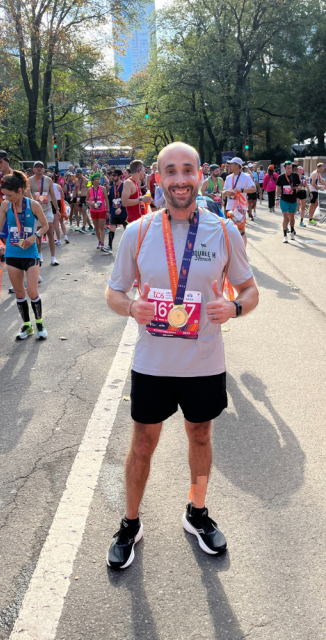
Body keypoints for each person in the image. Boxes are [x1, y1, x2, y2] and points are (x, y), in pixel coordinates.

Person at [104, 141, 259, 570]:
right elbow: (114, 292)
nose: (179, 179)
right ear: (159, 178)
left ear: (200, 176)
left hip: (204, 361)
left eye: (187, 170)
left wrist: (235, 307)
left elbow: (250, 291)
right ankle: (130, 523)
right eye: (170, 171)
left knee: (202, 436)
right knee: (142, 444)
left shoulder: (224, 230)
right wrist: (129, 306)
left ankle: (197, 512)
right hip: (152, 363)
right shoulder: (137, 232)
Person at [0, 171, 49, 340]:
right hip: (12, 253)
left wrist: (35, 236)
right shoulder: (5, 205)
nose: (6, 198)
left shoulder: (33, 205)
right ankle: (27, 326)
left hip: (30, 253)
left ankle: (39, 324)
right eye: (4, 195)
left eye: (9, 195)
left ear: (19, 190)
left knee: (32, 291)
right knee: (19, 293)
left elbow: (45, 226)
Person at [29, 162, 61, 265]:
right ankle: (39, 255)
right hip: (36, 211)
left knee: (50, 233)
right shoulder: (29, 180)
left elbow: (52, 195)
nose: (39, 169)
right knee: (38, 234)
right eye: (36, 167)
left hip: (47, 209)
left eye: (41, 167)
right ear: (33, 169)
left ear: (44, 169)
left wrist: (57, 209)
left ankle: (53, 258)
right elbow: (29, 196)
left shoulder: (48, 180)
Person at [223, 157, 255, 245]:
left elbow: (253, 189)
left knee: (241, 229)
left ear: (237, 166)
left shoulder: (246, 176)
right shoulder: (229, 177)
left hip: (240, 208)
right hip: (229, 208)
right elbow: (223, 192)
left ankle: (243, 252)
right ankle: (231, 252)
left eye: (231, 164)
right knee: (229, 230)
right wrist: (227, 192)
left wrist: (240, 190)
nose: (229, 165)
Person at [122, 160, 153, 225]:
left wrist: (145, 201)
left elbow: (138, 201)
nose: (144, 172)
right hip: (134, 222)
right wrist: (141, 199)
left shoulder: (136, 182)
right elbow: (124, 202)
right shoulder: (129, 182)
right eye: (143, 170)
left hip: (141, 221)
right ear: (139, 169)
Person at [276, 161, 302, 242]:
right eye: (288, 168)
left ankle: (292, 231)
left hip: (293, 199)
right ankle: (284, 236)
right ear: (284, 168)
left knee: (292, 217)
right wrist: (277, 198)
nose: (289, 169)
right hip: (284, 200)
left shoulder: (295, 176)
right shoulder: (281, 177)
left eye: (290, 168)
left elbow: (300, 185)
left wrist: (297, 188)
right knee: (286, 216)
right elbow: (277, 188)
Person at [88, 172, 111, 253]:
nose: (98, 181)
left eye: (99, 180)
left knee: (102, 227)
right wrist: (90, 203)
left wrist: (108, 210)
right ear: (92, 181)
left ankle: (102, 243)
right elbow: (86, 200)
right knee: (96, 227)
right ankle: (99, 241)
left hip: (102, 210)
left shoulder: (103, 189)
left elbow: (107, 200)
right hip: (93, 210)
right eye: (96, 180)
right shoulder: (89, 190)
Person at [107, 169, 126, 251]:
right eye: (112, 175)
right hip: (114, 211)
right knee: (111, 228)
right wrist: (109, 211)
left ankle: (130, 247)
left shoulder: (124, 186)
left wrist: (121, 208)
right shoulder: (112, 187)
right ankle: (109, 246)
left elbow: (126, 199)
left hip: (123, 211)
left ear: (119, 176)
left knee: (127, 229)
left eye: (114, 175)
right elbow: (110, 200)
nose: (112, 177)